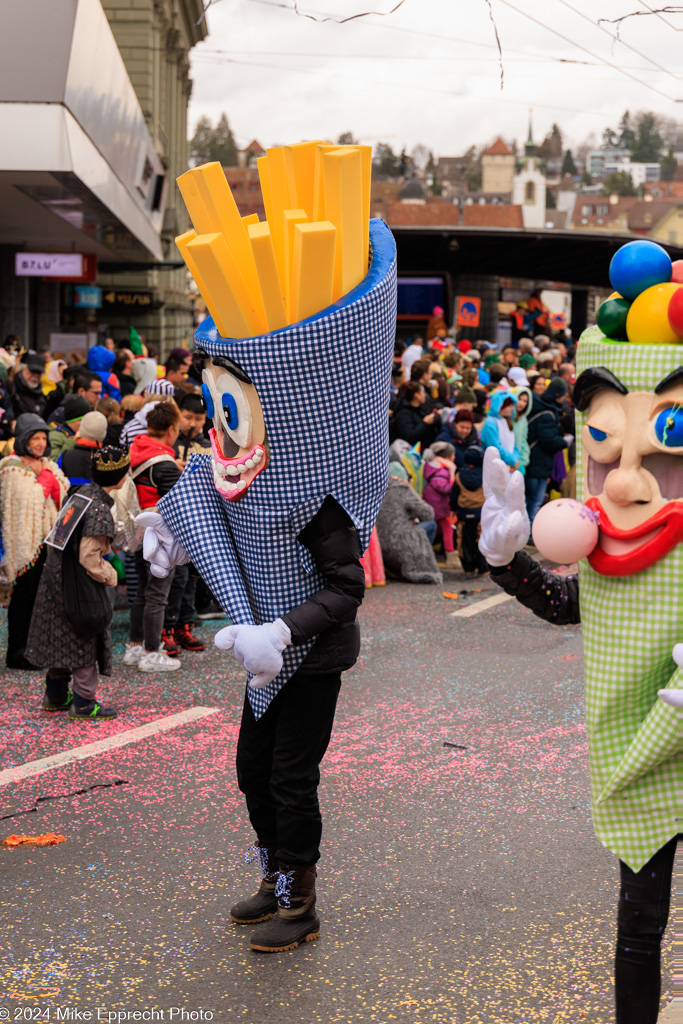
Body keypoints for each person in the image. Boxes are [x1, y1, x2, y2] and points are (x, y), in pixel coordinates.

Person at [25, 446, 131, 719]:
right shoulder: (99, 510)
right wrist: (111, 575)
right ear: (120, 477)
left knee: (60, 639)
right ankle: (84, 702)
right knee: (84, 639)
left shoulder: (79, 495)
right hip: (78, 586)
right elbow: (89, 558)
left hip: (56, 579)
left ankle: (56, 694)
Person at [0, 414, 68, 667]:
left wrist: (52, 484)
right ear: (23, 440)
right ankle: (17, 652)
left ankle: (35, 648)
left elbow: (63, 490)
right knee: (23, 597)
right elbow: (17, 504)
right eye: (35, 438)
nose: (40, 443)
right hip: (24, 545)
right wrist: (42, 486)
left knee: (42, 598)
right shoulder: (12, 466)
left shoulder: (49, 464)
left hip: (47, 544)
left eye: (43, 438)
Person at [126, 401, 182, 672]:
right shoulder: (164, 463)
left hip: (136, 528)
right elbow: (175, 504)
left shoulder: (136, 448)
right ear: (171, 429)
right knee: (158, 593)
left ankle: (135, 647)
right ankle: (152, 652)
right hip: (159, 532)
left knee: (141, 591)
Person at [375, 462, 442, 584]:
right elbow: (428, 514)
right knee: (431, 525)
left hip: (380, 546)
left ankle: (390, 568)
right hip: (401, 545)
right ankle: (421, 559)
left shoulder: (376, 492)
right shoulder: (403, 490)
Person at [524, 377, 568, 526]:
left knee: (530, 500)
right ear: (557, 395)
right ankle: (530, 533)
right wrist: (565, 441)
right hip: (539, 464)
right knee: (535, 501)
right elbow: (548, 441)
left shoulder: (538, 406)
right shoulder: (547, 414)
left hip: (533, 462)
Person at [450, 445, 487, 575]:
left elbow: (454, 495)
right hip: (481, 513)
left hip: (464, 513)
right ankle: (484, 568)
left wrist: (453, 509)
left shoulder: (459, 475)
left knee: (465, 541)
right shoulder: (485, 475)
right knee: (481, 540)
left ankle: (469, 568)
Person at [422, 441, 459, 569]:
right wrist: (453, 476)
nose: (454, 458)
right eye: (453, 456)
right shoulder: (441, 471)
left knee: (438, 528)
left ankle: (430, 552)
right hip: (439, 505)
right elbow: (445, 488)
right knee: (446, 528)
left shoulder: (434, 467)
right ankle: (451, 557)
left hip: (435, 504)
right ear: (448, 457)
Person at [59, 411, 108, 486]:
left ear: (81, 430)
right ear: (103, 435)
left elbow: (56, 480)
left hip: (69, 496)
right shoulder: (107, 461)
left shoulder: (65, 456)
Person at [480, 391, 522, 473]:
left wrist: (515, 460)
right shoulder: (490, 422)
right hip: (495, 468)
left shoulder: (507, 421)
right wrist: (512, 461)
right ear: (500, 405)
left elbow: (514, 445)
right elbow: (495, 447)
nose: (512, 408)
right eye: (509, 405)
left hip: (509, 468)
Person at [391, 382, 438, 447]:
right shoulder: (403, 413)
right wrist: (424, 423)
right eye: (423, 392)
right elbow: (409, 436)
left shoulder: (419, 408)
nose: (424, 395)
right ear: (417, 395)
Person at [511, 386, 532, 473]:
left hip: (518, 464)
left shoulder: (523, 419)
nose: (521, 403)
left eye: (525, 401)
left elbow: (523, 440)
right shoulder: (505, 417)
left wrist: (523, 461)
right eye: (519, 399)